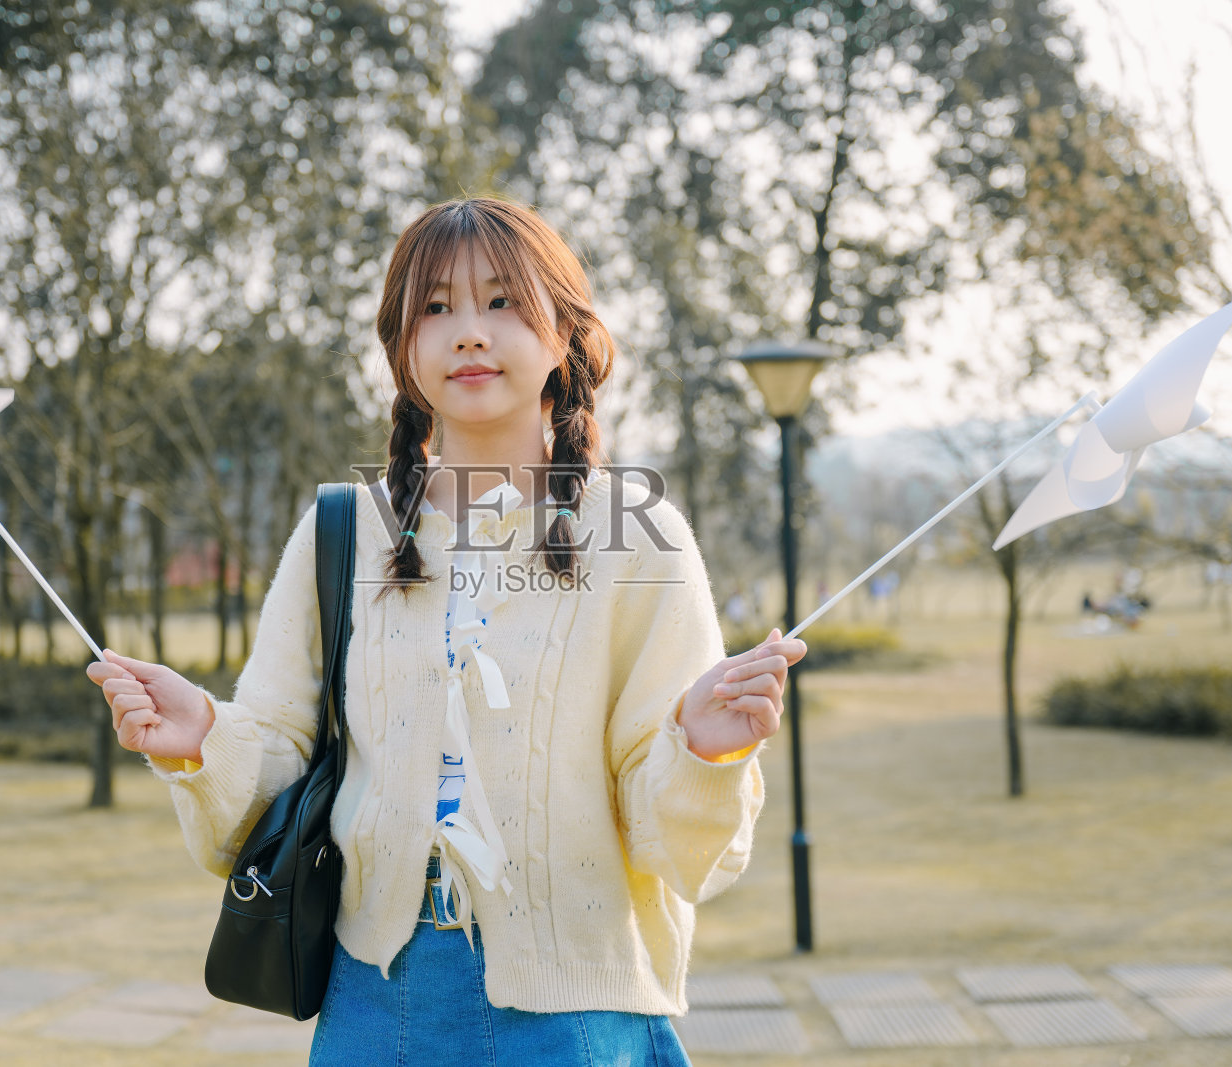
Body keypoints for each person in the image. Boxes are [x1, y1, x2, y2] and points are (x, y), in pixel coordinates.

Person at [85, 195, 807, 1064]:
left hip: (573, 1016)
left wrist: (703, 752)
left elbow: (672, 845)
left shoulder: (637, 531)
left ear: (564, 336)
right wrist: (203, 738)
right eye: (436, 308)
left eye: (502, 301)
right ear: (402, 347)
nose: (469, 332)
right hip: (373, 1002)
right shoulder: (343, 529)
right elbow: (283, 756)